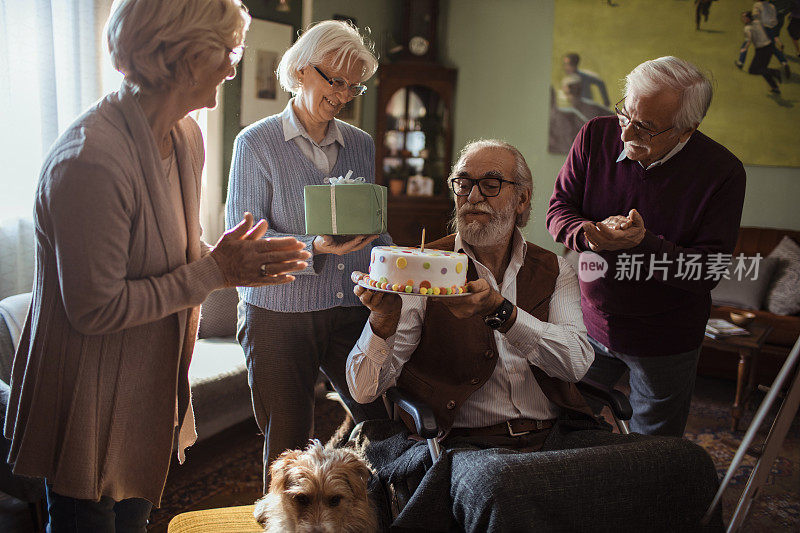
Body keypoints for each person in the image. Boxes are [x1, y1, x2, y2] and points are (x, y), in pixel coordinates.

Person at [3, 0, 312, 530]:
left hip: (149, 387)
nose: (233, 66)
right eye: (227, 49)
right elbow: (94, 309)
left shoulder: (185, 136)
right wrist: (217, 270)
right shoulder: (89, 161)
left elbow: (176, 250)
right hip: (89, 398)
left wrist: (237, 261)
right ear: (181, 56)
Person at [347, 140, 722, 532]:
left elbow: (577, 362)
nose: (473, 195)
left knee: (687, 462)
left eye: (491, 184)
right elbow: (363, 390)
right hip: (467, 448)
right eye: (463, 183)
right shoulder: (423, 267)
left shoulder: (554, 269)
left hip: (557, 438)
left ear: (522, 200)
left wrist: (504, 314)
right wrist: (382, 326)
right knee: (499, 485)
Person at [226, 20, 390, 488]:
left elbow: (373, 226)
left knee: (378, 420)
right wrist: (313, 246)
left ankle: (366, 510)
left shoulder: (360, 144)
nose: (343, 94)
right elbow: (244, 246)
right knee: (288, 447)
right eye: (333, 80)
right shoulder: (255, 144)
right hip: (279, 314)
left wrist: (402, 264)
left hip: (349, 308)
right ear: (301, 70)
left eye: (353, 84)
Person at [547, 56, 746, 437]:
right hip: (589, 322)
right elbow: (559, 209)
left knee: (650, 453)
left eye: (646, 127)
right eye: (625, 115)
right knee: (564, 428)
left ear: (688, 129)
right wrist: (588, 233)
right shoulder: (594, 134)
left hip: (666, 339)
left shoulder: (723, 173)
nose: (625, 134)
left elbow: (707, 270)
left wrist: (644, 244)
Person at [739, 11, 783, 94]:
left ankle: (775, 72)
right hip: (769, 47)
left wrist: (744, 49)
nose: (742, 19)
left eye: (744, 17)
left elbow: (748, 40)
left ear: (748, 18)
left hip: (762, 50)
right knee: (763, 69)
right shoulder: (757, 22)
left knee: (753, 70)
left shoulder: (747, 28)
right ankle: (775, 87)